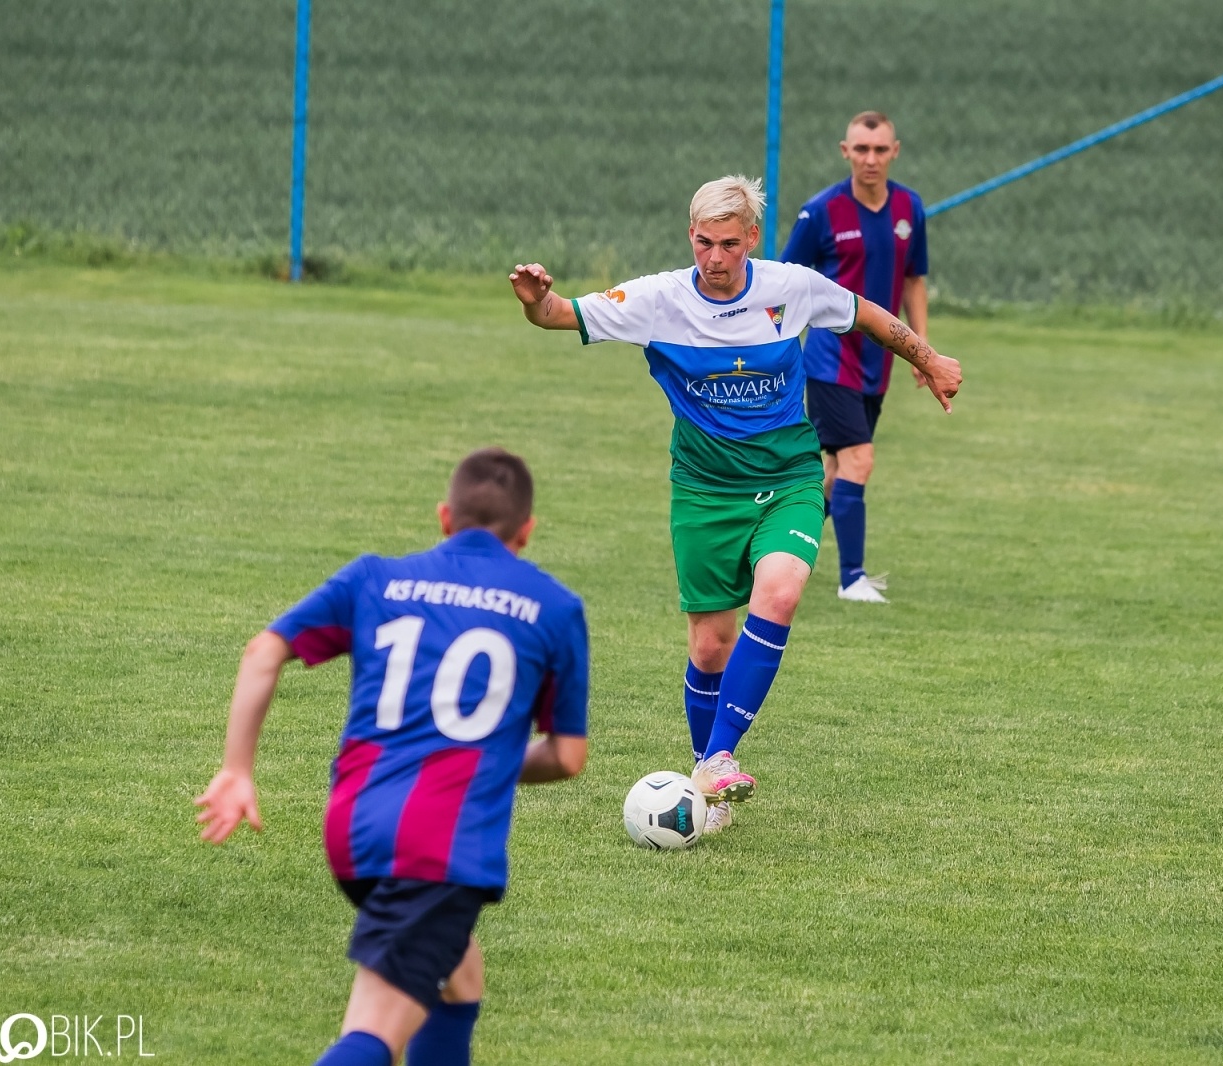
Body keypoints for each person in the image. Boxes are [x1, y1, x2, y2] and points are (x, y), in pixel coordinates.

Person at [509, 176, 958, 833]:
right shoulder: (657, 299)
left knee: (780, 592)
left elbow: (865, 313)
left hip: (789, 478)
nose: (713, 257)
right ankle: (704, 776)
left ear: (751, 238)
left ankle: (719, 757)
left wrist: (928, 356)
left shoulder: (790, 288)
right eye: (702, 243)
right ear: (689, 237)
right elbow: (558, 315)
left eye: (727, 243)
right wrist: (536, 300)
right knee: (710, 644)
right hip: (704, 491)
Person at [194, 448, 589, 1066]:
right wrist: (484, 761)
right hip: (440, 848)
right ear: (528, 531)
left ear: (443, 518)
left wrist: (237, 770)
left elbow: (263, 652)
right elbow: (568, 757)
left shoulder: (374, 577)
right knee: (373, 1031)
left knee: (460, 980)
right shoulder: (556, 607)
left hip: (354, 830)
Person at [781, 111, 931, 604]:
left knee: (832, 474)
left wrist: (920, 351)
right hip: (829, 360)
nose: (871, 159)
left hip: (878, 364)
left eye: (880, 149)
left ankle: (768, 547)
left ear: (895, 151)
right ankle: (852, 580)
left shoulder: (910, 208)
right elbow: (783, 283)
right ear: (845, 151)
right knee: (859, 461)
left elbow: (913, 280)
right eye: (861, 150)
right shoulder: (820, 212)